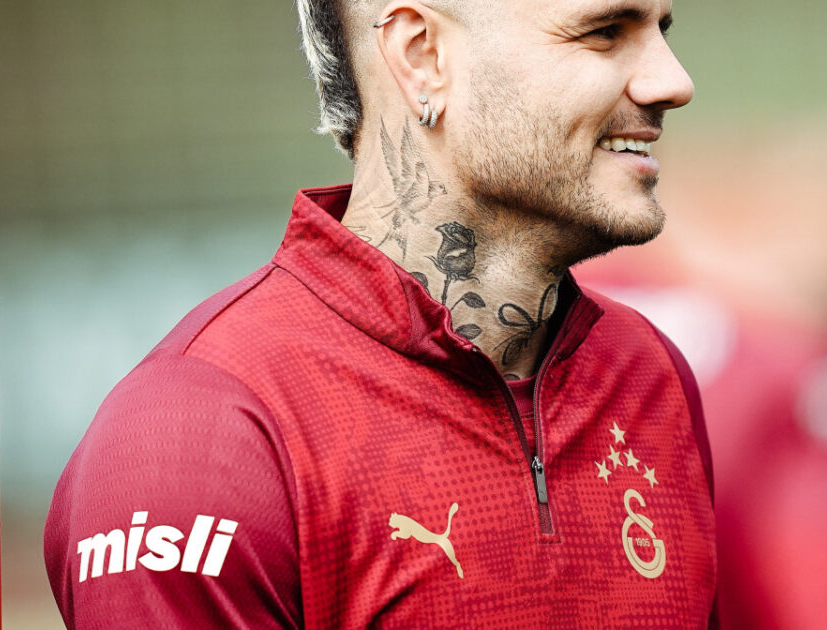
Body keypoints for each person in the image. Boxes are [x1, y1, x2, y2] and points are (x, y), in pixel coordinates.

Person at [44, 0, 717, 627]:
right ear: (422, 55)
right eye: (604, 32)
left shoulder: (651, 374)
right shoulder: (199, 436)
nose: (674, 82)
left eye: (662, 31)